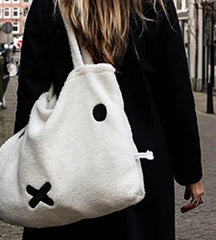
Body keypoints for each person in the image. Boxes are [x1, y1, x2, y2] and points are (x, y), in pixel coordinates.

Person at [14, 0, 204, 239]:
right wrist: (190, 173)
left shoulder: (49, 6)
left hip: (65, 167)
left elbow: (31, 94)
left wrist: (26, 167)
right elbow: (175, 94)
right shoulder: (156, 7)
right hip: (140, 164)